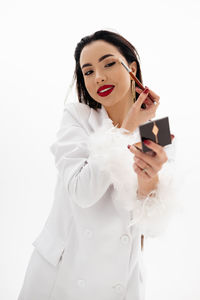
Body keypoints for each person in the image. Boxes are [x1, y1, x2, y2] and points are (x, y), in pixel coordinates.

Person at [18, 30, 177, 300]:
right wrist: (127, 129)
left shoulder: (157, 131)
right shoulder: (77, 116)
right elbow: (82, 191)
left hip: (120, 283)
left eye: (109, 63)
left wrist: (149, 179)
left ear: (132, 68)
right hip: (63, 274)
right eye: (88, 71)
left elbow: (152, 228)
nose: (99, 77)